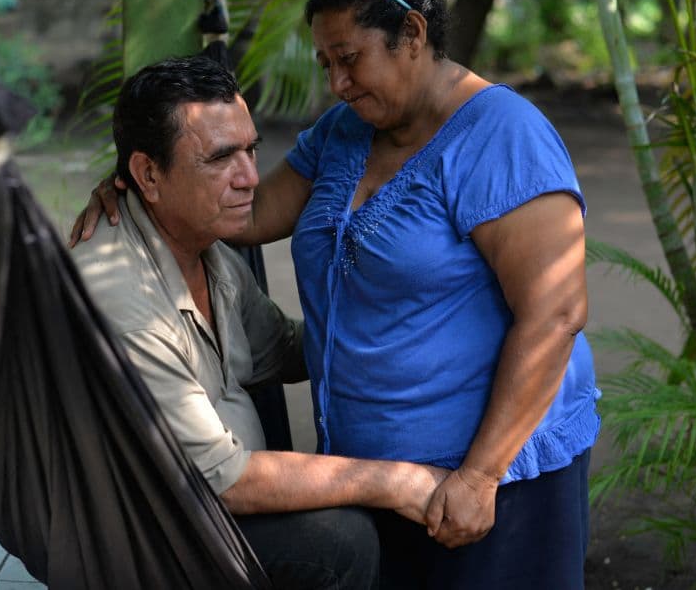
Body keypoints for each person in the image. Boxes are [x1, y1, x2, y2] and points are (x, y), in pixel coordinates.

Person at [71, 0, 600, 589]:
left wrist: (480, 476)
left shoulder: (502, 137)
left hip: (492, 476)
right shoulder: (345, 132)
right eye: (326, 64)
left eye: (349, 58)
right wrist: (138, 189)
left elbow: (557, 312)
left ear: (411, 33)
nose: (338, 82)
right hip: (376, 477)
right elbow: (243, 210)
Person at [72, 54, 450, 590]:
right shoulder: (125, 305)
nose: (251, 178)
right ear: (148, 175)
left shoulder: (204, 249)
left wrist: (409, 325)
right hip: (137, 532)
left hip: (193, 499)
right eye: (221, 157)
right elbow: (223, 480)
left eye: (251, 150)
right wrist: (393, 481)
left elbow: (284, 348)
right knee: (341, 541)